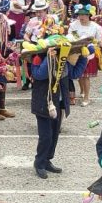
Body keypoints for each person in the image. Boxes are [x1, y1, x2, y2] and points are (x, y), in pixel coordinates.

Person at [29, 45, 72, 179]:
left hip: (57, 103)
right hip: (43, 102)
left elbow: (75, 73)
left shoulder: (63, 59)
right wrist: (48, 58)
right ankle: (39, 163)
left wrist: (83, 57)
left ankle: (47, 160)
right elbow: (39, 75)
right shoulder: (37, 57)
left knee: (54, 135)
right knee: (46, 136)